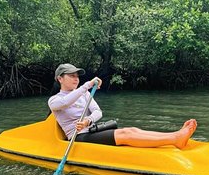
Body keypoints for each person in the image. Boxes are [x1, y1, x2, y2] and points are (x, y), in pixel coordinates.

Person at [48, 63, 197, 149]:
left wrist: (88, 121)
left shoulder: (84, 94)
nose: (76, 79)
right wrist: (87, 85)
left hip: (91, 130)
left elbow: (98, 112)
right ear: (60, 78)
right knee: (125, 135)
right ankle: (175, 139)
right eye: (71, 76)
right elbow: (66, 102)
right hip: (78, 138)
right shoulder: (54, 100)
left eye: (77, 76)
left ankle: (175, 136)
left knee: (131, 130)